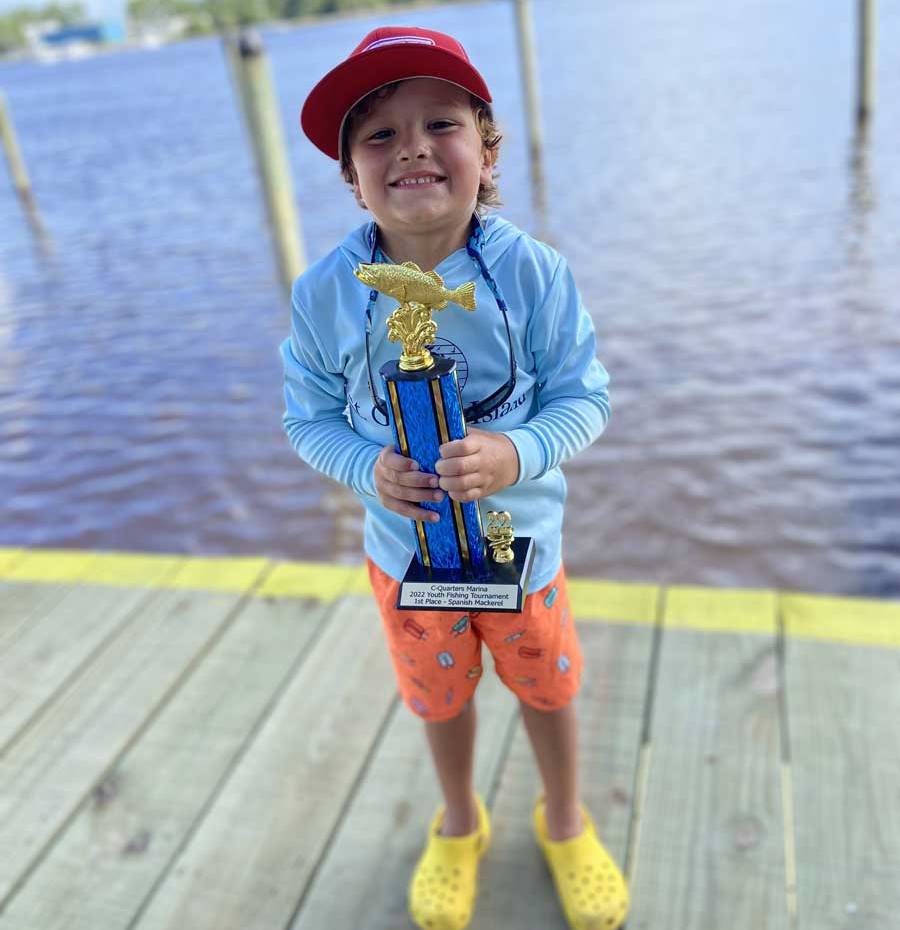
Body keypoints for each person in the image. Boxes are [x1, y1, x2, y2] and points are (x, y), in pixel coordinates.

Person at [281, 24, 629, 930]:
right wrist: (366, 465)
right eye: (380, 136)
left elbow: (585, 398)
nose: (414, 150)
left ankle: (562, 819)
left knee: (548, 688)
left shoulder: (533, 271)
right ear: (352, 174)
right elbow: (306, 416)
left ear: (486, 148)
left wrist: (516, 452)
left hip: (525, 554)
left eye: (440, 123)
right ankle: (461, 820)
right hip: (407, 561)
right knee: (439, 698)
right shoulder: (323, 292)